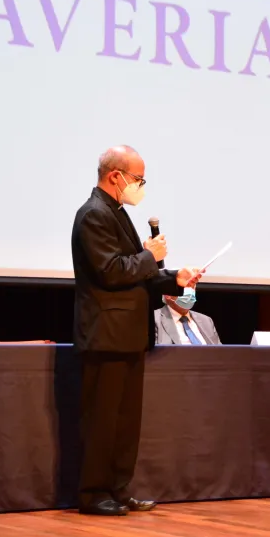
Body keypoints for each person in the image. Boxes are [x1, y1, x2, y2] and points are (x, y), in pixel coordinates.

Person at [71, 145, 203, 516]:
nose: (140, 187)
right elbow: (111, 271)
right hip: (106, 334)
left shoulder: (116, 212)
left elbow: (137, 274)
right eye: (138, 179)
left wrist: (175, 278)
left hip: (128, 335)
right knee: (103, 420)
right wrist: (149, 256)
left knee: (126, 422)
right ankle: (94, 493)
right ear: (115, 176)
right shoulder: (93, 214)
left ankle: (118, 488)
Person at [155, 294, 222, 345]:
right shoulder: (154, 319)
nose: (190, 293)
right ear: (168, 295)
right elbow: (155, 356)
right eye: (183, 289)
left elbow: (219, 352)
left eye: (192, 288)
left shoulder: (206, 320)